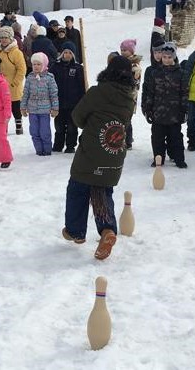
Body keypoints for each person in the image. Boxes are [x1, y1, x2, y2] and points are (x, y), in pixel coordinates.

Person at [62, 55, 135, 261]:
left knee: (78, 188)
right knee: (102, 192)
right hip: (113, 155)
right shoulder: (129, 99)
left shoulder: (97, 92)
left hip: (91, 151)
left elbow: (78, 117)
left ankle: (75, 231)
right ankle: (107, 230)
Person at [141, 42, 188, 169]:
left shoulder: (181, 73)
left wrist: (184, 110)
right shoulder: (155, 73)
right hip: (158, 113)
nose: (166, 60)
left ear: (174, 57)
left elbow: (184, 93)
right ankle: (158, 159)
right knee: (157, 138)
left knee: (176, 138)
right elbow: (150, 93)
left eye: (169, 57)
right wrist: (147, 109)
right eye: (164, 57)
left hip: (174, 114)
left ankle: (179, 159)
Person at [20, 52, 59, 156]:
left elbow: (54, 94)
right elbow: (25, 93)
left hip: (44, 110)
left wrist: (55, 108)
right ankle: (39, 150)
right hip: (32, 110)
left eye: (39, 64)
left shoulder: (49, 78)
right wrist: (23, 107)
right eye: (34, 64)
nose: (36, 66)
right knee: (34, 131)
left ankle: (47, 150)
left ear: (44, 65)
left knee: (44, 132)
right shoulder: (30, 77)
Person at [51, 41, 86, 153]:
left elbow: (82, 86)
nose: (67, 55)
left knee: (72, 126)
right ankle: (58, 145)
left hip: (73, 104)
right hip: (59, 103)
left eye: (70, 53)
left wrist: (83, 99)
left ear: (73, 55)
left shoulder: (78, 68)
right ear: (62, 54)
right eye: (65, 52)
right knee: (59, 126)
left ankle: (70, 146)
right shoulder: (55, 67)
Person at [0, 25, 27, 135]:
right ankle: (3, 127)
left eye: (5, 37)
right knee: (2, 108)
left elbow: (22, 69)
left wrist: (15, 83)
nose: (3, 40)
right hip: (0, 85)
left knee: (15, 107)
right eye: (1, 37)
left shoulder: (16, 52)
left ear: (10, 38)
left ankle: (19, 125)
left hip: (13, 86)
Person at [119, 38, 142, 150]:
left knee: (127, 119)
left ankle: (128, 141)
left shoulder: (134, 66)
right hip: (120, 95)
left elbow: (134, 82)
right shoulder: (121, 62)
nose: (123, 52)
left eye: (125, 50)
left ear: (131, 51)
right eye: (122, 50)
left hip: (129, 96)